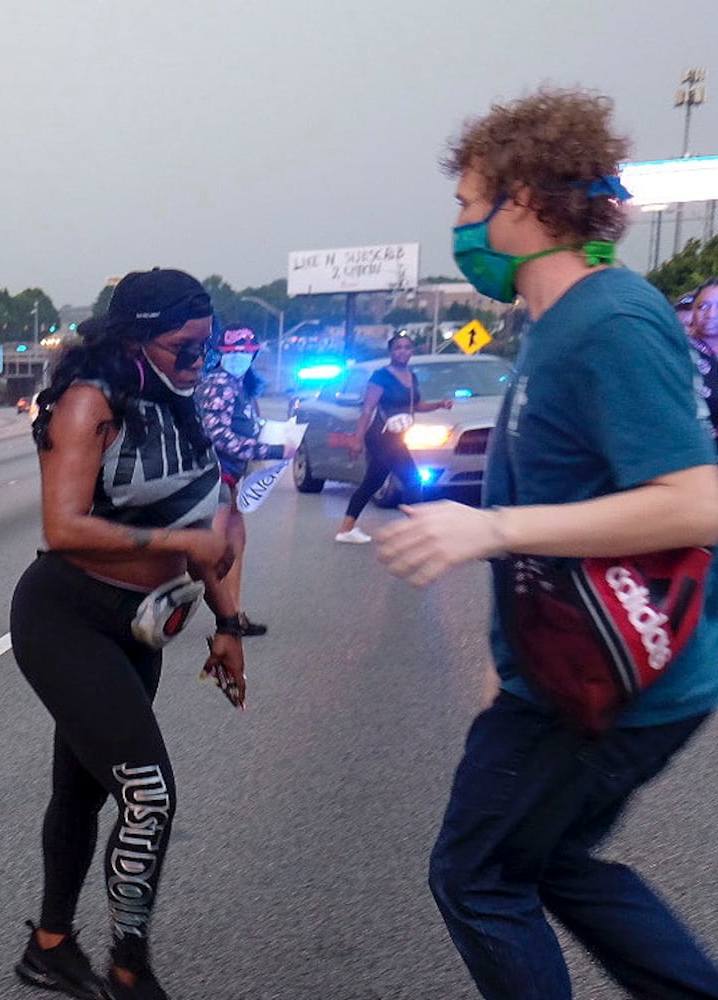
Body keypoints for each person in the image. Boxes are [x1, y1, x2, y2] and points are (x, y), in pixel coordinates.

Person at [377, 87, 718, 997]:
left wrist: (491, 529)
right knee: (548, 861)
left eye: (466, 201)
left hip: (613, 683)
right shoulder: (559, 325)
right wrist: (510, 653)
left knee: (478, 876)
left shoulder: (611, 321)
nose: (458, 221)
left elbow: (698, 503)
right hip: (581, 672)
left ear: (521, 200)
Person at [10, 268, 244, 1000]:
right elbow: (62, 526)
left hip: (139, 631)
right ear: (139, 337)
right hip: (67, 615)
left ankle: (50, 945)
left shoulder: (181, 404)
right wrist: (178, 547)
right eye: (184, 347)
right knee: (149, 794)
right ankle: (127, 967)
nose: (198, 362)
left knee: (83, 790)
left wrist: (228, 624)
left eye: (206, 348)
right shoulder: (90, 403)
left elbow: (217, 521)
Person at [197, 325, 284, 635]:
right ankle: (224, 616)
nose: (240, 358)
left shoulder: (240, 385)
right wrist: (272, 448)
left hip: (231, 475)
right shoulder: (220, 384)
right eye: (233, 352)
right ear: (220, 354)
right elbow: (218, 436)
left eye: (246, 353)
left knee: (234, 543)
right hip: (215, 474)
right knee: (213, 551)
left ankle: (233, 614)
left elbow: (244, 426)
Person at [334, 333, 453, 544]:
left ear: (412, 351)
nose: (403, 351)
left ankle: (346, 529)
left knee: (373, 482)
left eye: (407, 347)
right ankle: (417, 532)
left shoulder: (411, 376)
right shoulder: (381, 376)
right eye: (398, 347)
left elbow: (416, 405)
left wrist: (439, 404)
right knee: (413, 480)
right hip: (380, 437)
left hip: (397, 437)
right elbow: (368, 408)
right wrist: (357, 439)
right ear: (391, 351)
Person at [684, 281, 718, 440]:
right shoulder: (679, 351)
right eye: (703, 307)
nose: (711, 315)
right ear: (693, 310)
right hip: (698, 452)